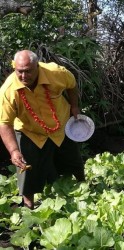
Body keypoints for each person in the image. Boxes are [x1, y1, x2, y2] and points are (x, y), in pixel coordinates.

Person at [0, 50, 85, 209]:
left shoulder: (56, 73)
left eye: (28, 71)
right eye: (20, 72)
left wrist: (74, 106)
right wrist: (13, 151)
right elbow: (4, 123)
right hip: (29, 131)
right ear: (14, 68)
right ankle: (28, 206)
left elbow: (72, 85)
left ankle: (84, 188)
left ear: (37, 66)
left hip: (60, 125)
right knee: (26, 167)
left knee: (73, 159)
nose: (24, 76)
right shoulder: (8, 91)